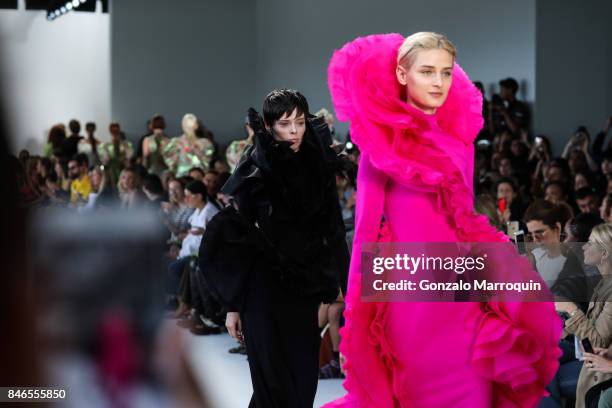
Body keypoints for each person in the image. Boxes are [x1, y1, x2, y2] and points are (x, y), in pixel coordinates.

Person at [323, 32, 562, 407]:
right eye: (427, 71)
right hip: (408, 303)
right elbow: (365, 234)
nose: (438, 82)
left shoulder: (461, 144)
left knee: (475, 390)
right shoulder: (377, 150)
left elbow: (463, 220)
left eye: (446, 73)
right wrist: (355, 312)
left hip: (460, 295)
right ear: (402, 74)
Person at [200, 89, 349, 407]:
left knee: (302, 381)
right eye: (285, 124)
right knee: (271, 383)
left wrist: (346, 285)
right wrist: (234, 305)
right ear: (268, 126)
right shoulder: (253, 167)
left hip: (303, 288)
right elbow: (238, 239)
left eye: (299, 122)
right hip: (262, 289)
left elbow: (333, 227)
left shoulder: (317, 165)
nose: (294, 131)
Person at [555, 223, 612, 408]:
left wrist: (571, 309)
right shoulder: (603, 283)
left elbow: (597, 342)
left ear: (604, 254)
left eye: (590, 243)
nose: (584, 247)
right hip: (592, 362)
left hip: (602, 375)